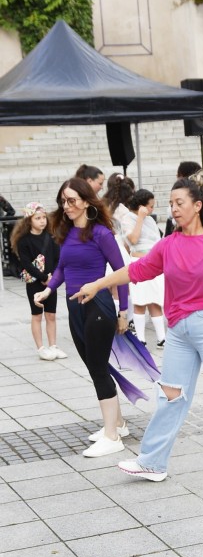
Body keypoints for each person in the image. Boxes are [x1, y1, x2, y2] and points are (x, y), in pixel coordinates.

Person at [72, 177, 203, 493]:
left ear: (198, 205)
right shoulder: (169, 244)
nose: (174, 208)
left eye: (180, 203)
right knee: (170, 395)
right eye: (171, 203)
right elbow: (136, 270)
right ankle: (152, 461)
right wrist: (98, 284)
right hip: (179, 330)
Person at [33, 178, 132, 458]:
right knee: (94, 366)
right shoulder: (66, 232)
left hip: (98, 306)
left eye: (71, 200)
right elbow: (62, 268)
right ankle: (118, 424)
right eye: (63, 201)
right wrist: (47, 291)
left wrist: (123, 311)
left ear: (87, 201)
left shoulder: (101, 233)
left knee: (98, 368)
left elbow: (122, 273)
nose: (66, 206)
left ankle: (112, 437)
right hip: (75, 307)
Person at [10, 202, 67, 361]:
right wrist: (43, 278)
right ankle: (41, 348)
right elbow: (26, 264)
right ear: (29, 220)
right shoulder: (24, 240)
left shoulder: (51, 236)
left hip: (51, 282)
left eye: (44, 217)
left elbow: (58, 258)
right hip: (35, 283)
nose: (42, 221)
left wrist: (52, 277)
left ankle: (53, 345)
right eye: (38, 218)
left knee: (51, 315)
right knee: (37, 315)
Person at [122, 189, 166, 347]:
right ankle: (140, 338)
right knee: (140, 302)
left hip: (154, 264)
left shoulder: (151, 220)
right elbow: (133, 239)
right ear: (141, 206)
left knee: (155, 301)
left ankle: (162, 338)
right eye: (150, 206)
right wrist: (140, 218)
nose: (152, 209)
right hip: (139, 262)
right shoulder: (128, 219)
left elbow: (158, 241)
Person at [165, 161, 203, 235]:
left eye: (179, 203)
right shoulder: (168, 241)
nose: (174, 210)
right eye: (171, 205)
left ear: (198, 206)